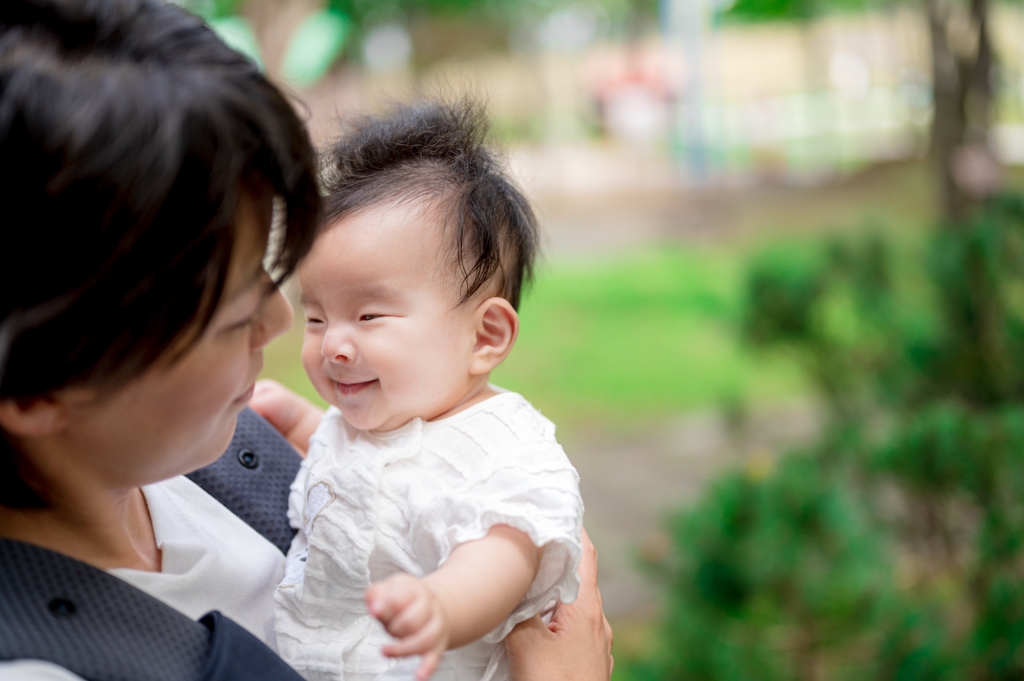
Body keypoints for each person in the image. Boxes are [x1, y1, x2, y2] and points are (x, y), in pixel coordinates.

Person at [0, 1, 612, 679]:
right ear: (38, 384)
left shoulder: (203, 445)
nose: (280, 322)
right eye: (229, 306)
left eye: (266, 271)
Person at [270, 101, 583, 681]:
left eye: (369, 316)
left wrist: (444, 604)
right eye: (316, 318)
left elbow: (505, 551)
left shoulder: (503, 449)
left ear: (484, 336)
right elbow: (371, 472)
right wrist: (295, 420)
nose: (333, 345)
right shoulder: (373, 418)